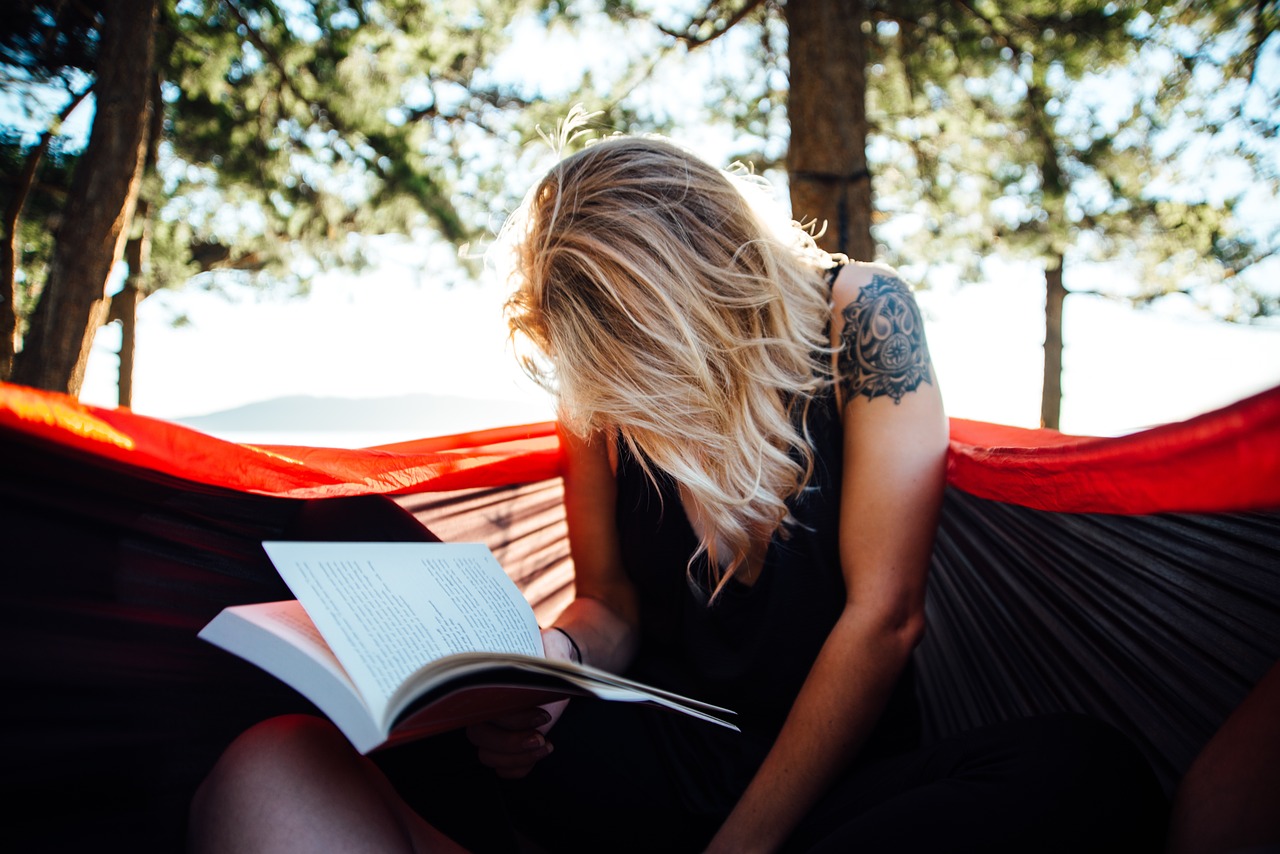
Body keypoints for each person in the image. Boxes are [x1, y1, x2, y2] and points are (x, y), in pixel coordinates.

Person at [189, 129, 1168, 853]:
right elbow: (608, 601)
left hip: (825, 779)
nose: (615, 403)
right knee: (277, 756)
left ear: (701, 297)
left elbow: (883, 617)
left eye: (631, 372)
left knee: (1084, 769)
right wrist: (546, 667)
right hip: (650, 748)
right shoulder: (597, 377)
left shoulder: (863, 317)